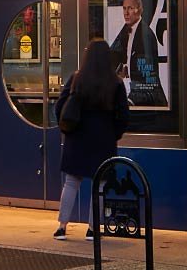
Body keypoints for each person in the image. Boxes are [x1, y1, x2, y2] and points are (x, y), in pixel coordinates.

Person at [54, 40, 131, 237]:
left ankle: (62, 227)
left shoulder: (76, 79)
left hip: (77, 139)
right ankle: (92, 229)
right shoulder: (115, 83)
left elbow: (60, 106)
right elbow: (123, 115)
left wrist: (68, 130)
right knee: (100, 185)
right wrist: (114, 134)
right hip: (103, 140)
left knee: (71, 182)